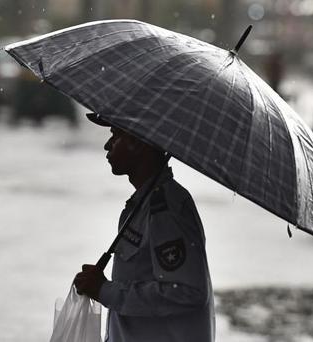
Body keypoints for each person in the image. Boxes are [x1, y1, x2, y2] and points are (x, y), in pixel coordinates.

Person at [73, 114, 215, 342]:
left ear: (138, 144)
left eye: (115, 135)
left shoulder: (166, 209)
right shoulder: (143, 204)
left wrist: (105, 290)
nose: (107, 145)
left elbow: (189, 292)